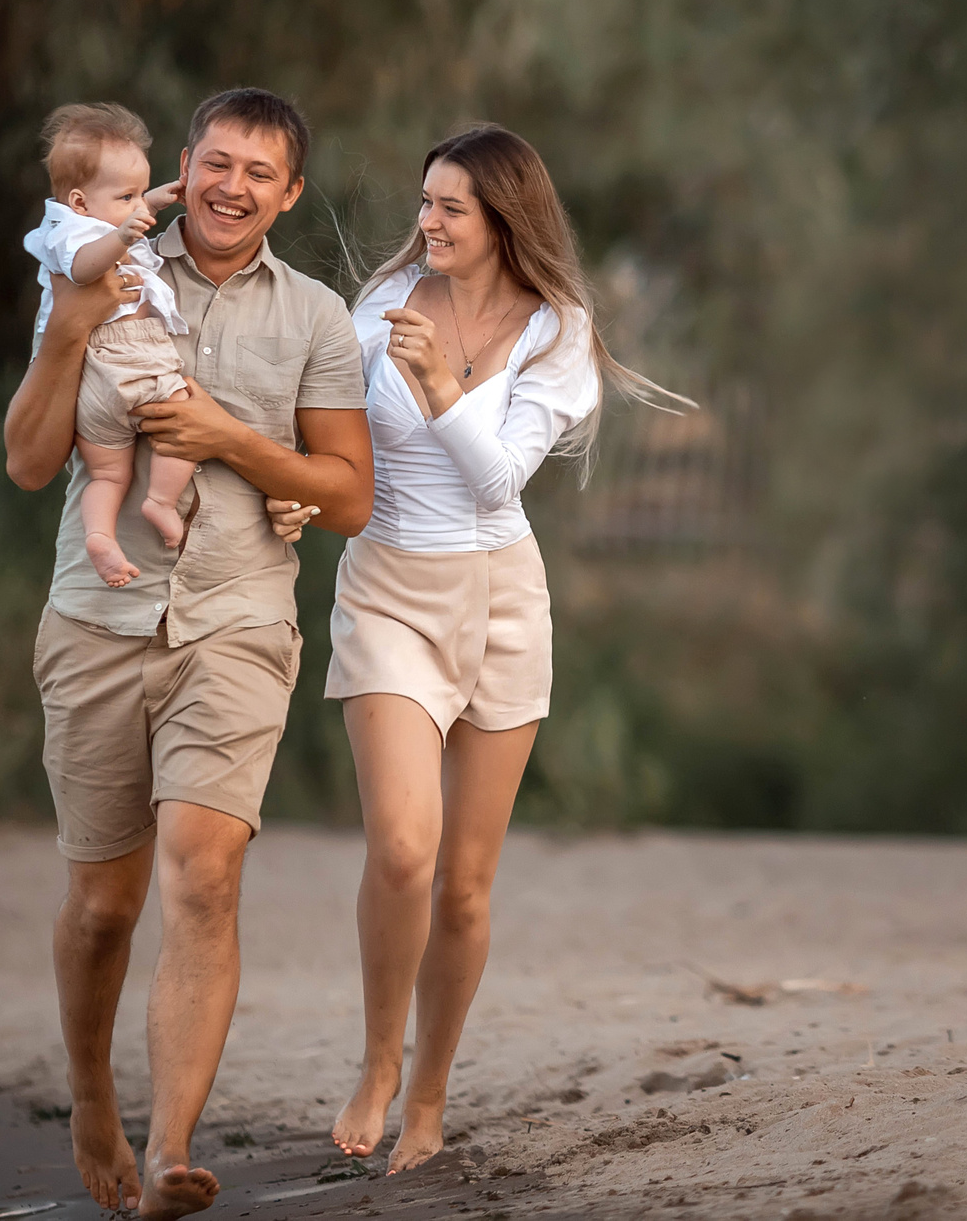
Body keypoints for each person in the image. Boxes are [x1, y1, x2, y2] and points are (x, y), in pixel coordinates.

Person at [3, 88, 374, 1220]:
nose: (232, 187)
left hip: (238, 622)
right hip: (97, 621)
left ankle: (170, 1151)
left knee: (205, 877)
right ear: (184, 163)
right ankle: (92, 1100)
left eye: (260, 173)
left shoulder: (316, 317)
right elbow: (28, 463)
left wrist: (228, 440)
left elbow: (348, 497)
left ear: (290, 194)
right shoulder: (96, 265)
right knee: (103, 905)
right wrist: (68, 327)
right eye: (218, 162)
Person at [324, 124, 681, 1173]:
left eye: (451, 208)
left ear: (503, 221)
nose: (427, 222)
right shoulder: (383, 303)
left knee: (466, 884)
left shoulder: (557, 331)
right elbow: (324, 427)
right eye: (425, 201)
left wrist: (441, 385)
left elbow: (496, 481)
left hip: (503, 604)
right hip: (388, 587)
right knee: (403, 849)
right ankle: (378, 1062)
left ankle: (428, 1095)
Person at [21, 103, 198, 587]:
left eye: (140, 193)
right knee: (187, 416)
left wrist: (150, 202)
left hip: (92, 388)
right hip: (127, 359)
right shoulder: (70, 234)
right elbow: (83, 268)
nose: (138, 207)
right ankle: (161, 501)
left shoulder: (91, 219)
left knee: (107, 476)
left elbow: (121, 218)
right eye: (127, 196)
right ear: (79, 202)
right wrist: (120, 236)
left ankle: (100, 535)